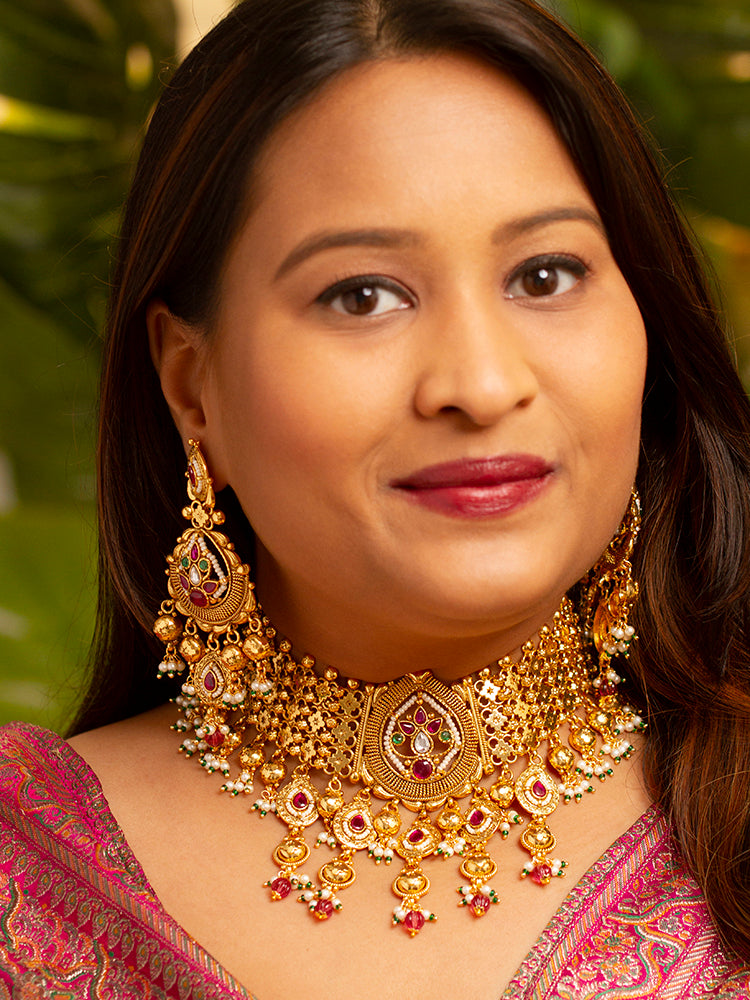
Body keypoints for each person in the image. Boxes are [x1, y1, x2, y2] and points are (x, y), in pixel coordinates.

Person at [1, 0, 749, 996]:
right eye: (363, 295)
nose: (481, 384)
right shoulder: (28, 876)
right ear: (192, 384)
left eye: (546, 273)